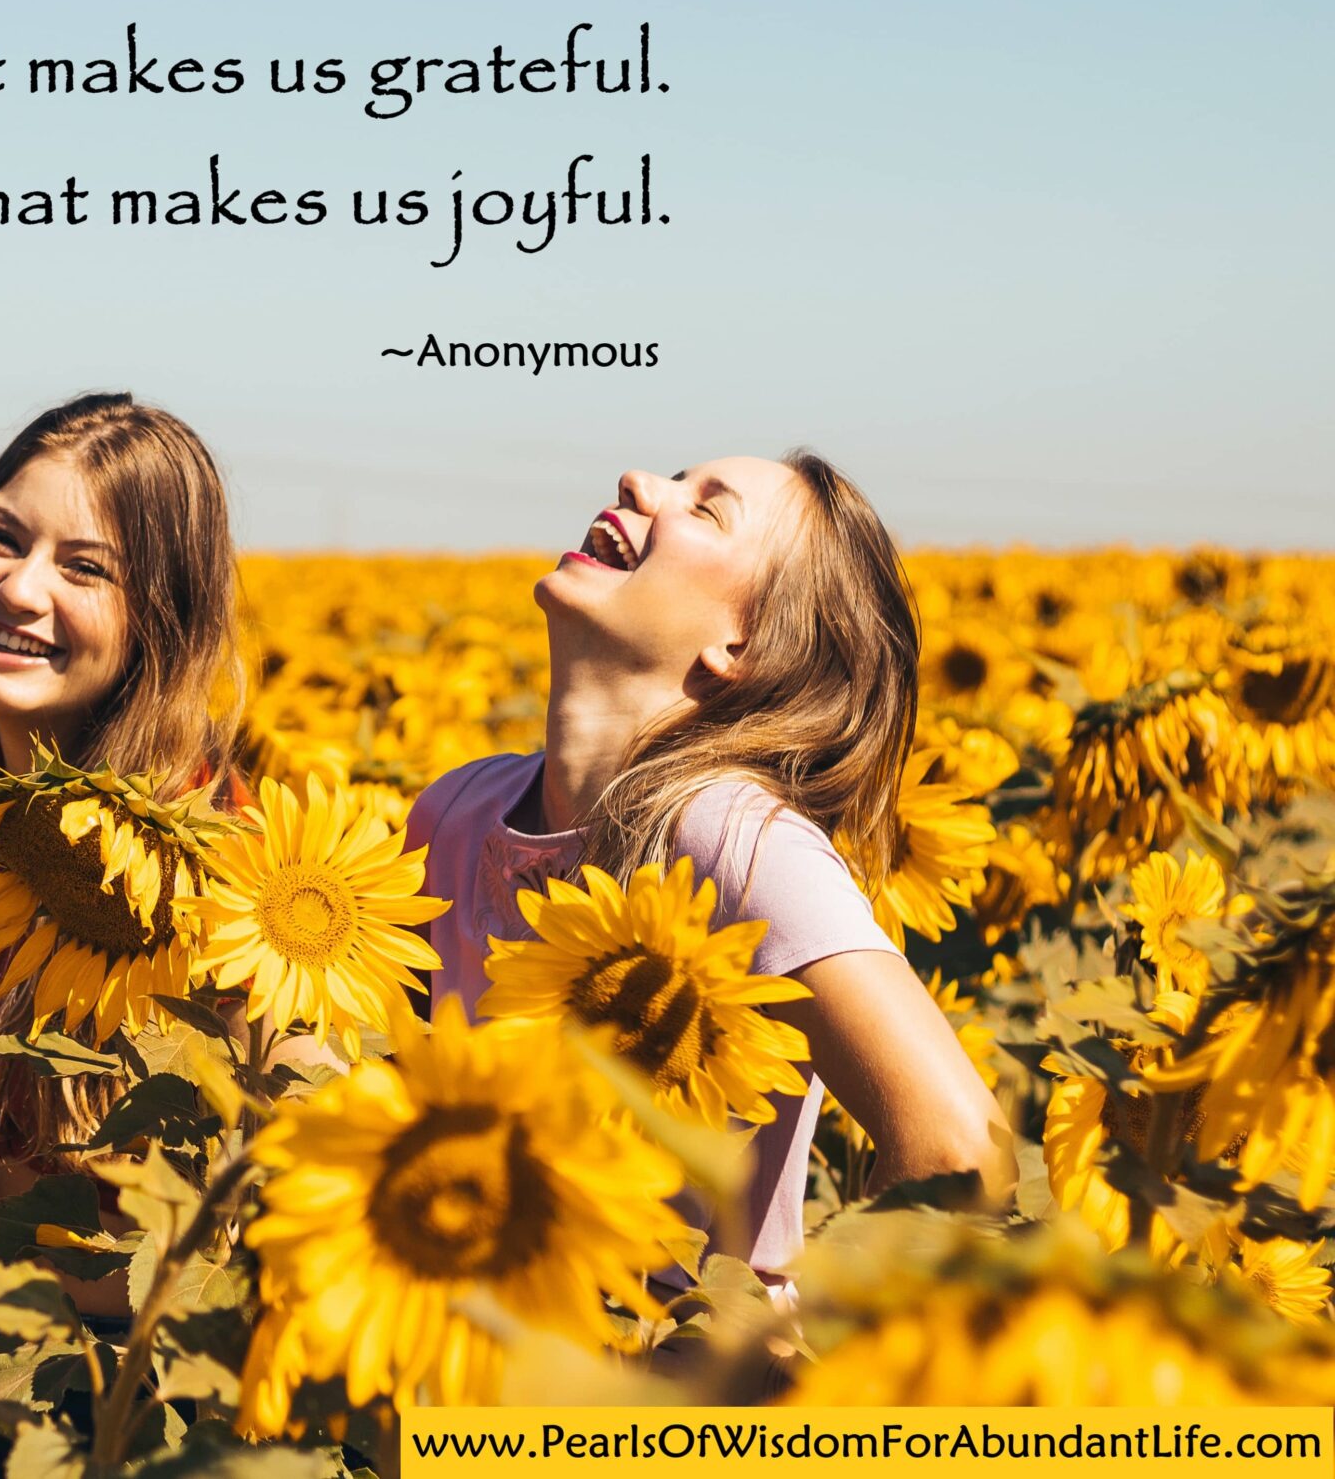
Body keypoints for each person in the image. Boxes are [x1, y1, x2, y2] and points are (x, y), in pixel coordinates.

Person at [411, 453, 1012, 1282]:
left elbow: (959, 1147)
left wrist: (779, 1363)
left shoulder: (732, 838)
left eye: (705, 509)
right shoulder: (453, 813)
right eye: (672, 477)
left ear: (743, 644)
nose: (636, 482)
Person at [0, 392, 244, 1315]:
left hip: (150, 1376)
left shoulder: (222, 844)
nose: (19, 588)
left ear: (160, 617)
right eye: (0, 537)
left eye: (84, 567)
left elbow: (258, 1147)